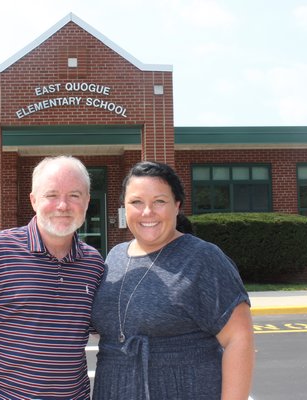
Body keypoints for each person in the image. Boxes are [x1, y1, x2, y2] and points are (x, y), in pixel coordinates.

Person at [91, 161, 254, 400]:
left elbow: (239, 340)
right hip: (113, 388)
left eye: (159, 201)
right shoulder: (114, 257)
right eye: (136, 202)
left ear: (176, 206)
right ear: (124, 208)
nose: (147, 212)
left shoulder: (203, 258)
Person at [0, 155, 105, 400]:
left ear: (86, 201)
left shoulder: (93, 263)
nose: (63, 205)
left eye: (74, 195)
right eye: (51, 195)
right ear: (34, 200)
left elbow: (104, 328)